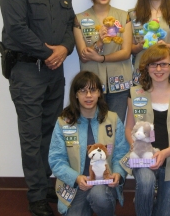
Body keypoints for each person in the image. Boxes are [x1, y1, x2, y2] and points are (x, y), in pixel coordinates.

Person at [0, 0, 75, 216]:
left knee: (50, 133)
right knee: (31, 136)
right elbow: (16, 28)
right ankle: (35, 198)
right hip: (28, 71)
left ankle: (44, 188)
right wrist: (49, 53)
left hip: (55, 73)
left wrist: (66, 48)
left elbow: (71, 23)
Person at [49, 71, 129, 216]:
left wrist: (118, 173)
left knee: (99, 196)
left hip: (103, 182)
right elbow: (56, 159)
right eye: (83, 91)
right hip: (76, 185)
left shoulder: (113, 119)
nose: (88, 95)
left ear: (99, 93)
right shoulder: (63, 122)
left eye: (93, 90)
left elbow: (121, 152)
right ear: (75, 95)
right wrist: (76, 178)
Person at [125, 44, 170, 216]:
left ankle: (145, 199)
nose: (159, 69)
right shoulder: (135, 93)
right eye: (153, 64)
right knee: (146, 182)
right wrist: (136, 146)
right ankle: (144, 197)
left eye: (164, 64)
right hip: (143, 158)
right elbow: (129, 128)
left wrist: (163, 154)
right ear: (146, 67)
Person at [74, 0, 132, 123]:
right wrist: (99, 42)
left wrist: (101, 58)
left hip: (119, 84)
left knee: (116, 127)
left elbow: (126, 52)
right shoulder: (80, 19)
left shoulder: (123, 16)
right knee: (93, 127)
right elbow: (83, 56)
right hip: (91, 88)